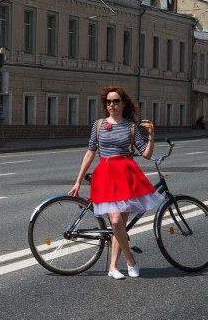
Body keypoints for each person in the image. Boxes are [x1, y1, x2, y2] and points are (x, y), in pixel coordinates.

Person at [68, 86, 163, 280]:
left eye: (116, 101)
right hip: (105, 174)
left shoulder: (131, 127)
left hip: (126, 174)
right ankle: (130, 260)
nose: (112, 105)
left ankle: (112, 267)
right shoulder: (99, 125)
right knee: (116, 221)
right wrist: (78, 181)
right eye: (109, 102)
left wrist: (151, 135)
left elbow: (146, 154)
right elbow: (90, 153)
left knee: (119, 225)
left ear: (123, 103)